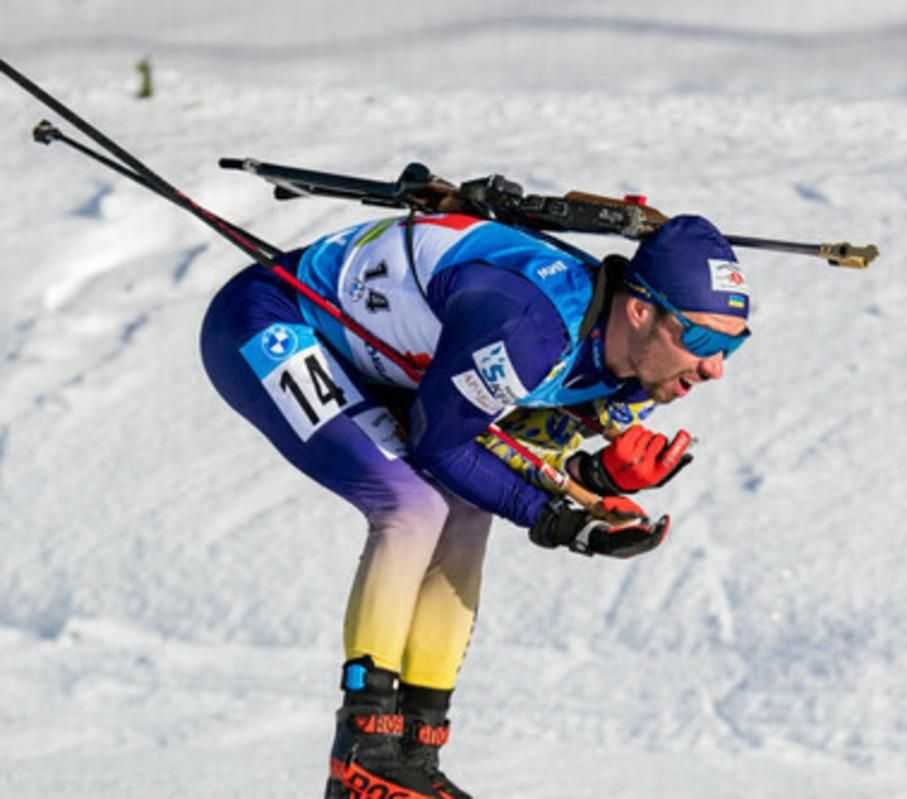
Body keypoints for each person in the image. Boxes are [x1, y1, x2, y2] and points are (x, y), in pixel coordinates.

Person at [199, 210, 752, 799]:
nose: (714, 367)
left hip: (381, 365)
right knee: (410, 505)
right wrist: (564, 522)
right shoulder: (528, 326)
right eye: (700, 340)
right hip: (269, 321)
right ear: (640, 311)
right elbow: (442, 445)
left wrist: (596, 475)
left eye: (732, 346)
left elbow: (516, 441)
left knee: (466, 505)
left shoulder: (644, 369)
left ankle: (414, 750)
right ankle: (362, 749)